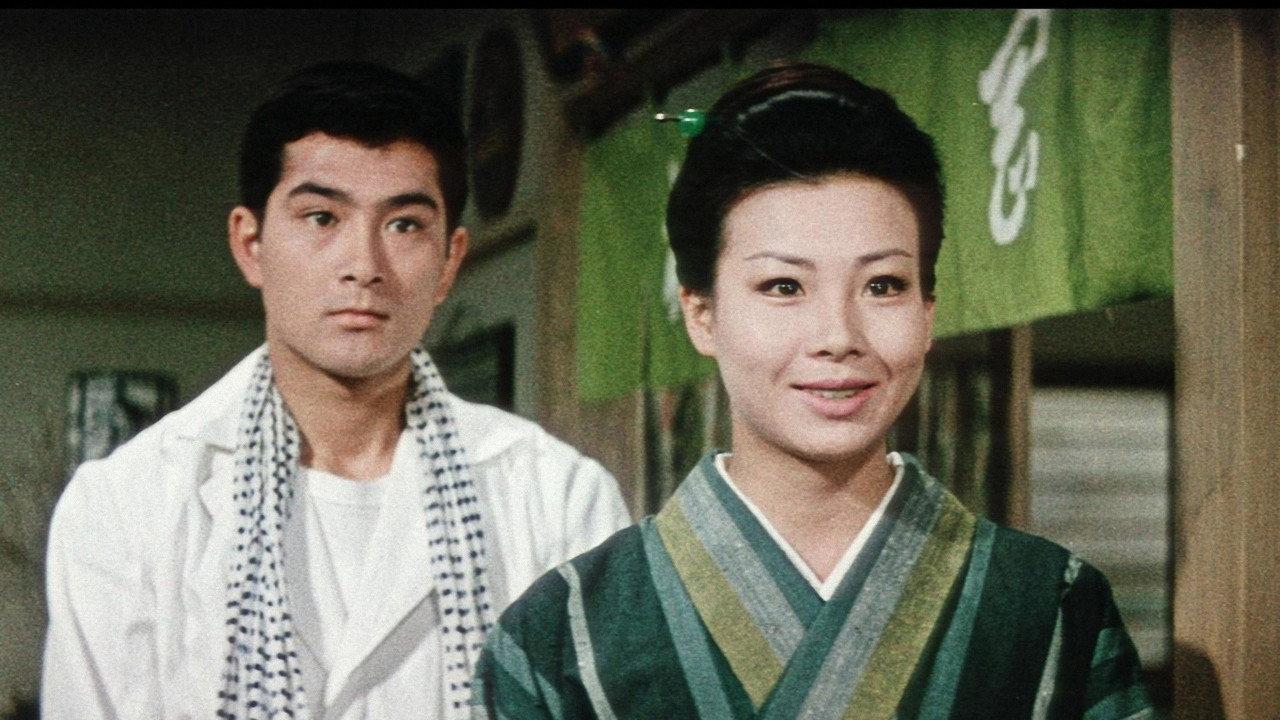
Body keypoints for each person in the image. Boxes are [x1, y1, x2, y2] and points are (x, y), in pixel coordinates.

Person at [472, 62, 1153, 719]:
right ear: (701, 315)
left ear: (928, 313)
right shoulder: (556, 639)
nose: (838, 336)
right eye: (783, 286)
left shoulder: (1051, 609)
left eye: (883, 285)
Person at [41, 62, 631, 720]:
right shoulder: (126, 507)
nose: (363, 266)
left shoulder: (557, 500)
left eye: (405, 225)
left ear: (450, 261)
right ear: (251, 244)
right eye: (322, 217)